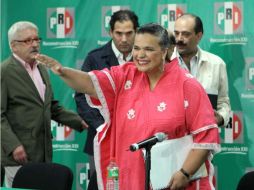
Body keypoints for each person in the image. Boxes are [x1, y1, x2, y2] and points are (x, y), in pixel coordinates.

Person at [36, 23, 220, 190]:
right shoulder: (125, 75)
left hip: (174, 179)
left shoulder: (187, 84)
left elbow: (205, 137)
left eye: (148, 49)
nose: (140, 55)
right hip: (131, 176)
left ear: (164, 51)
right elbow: (91, 84)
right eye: (137, 48)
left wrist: (185, 174)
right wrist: (62, 71)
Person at [1, 21, 87, 187]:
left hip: (43, 151)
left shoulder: (41, 69)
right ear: (13, 46)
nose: (34, 45)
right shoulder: (4, 72)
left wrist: (80, 121)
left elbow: (51, 106)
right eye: (27, 41)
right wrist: (13, 146)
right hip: (18, 154)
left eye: (37, 40)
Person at [74, 10, 139, 189]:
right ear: (110, 32)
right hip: (102, 138)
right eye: (119, 33)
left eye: (129, 33)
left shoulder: (146, 58)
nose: (124, 39)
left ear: (137, 32)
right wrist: (103, 127)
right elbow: (81, 97)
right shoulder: (94, 58)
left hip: (138, 138)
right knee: (102, 184)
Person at [171, 13, 231, 126]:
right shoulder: (164, 63)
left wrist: (220, 118)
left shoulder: (217, 64)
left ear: (199, 36)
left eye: (185, 34)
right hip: (173, 137)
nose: (179, 39)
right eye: (176, 33)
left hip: (206, 135)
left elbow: (223, 102)